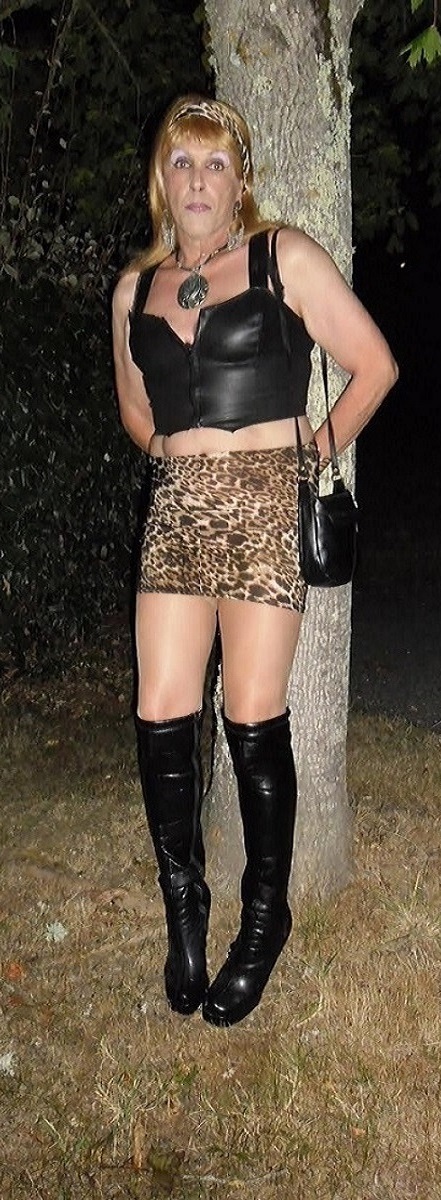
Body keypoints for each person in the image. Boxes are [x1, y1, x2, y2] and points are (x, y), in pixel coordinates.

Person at [112, 93, 398, 1028]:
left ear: (240, 182)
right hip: (178, 510)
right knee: (161, 710)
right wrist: (170, 453)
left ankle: (265, 919)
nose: (197, 179)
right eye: (181, 162)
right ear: (162, 181)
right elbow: (135, 410)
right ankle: (185, 907)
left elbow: (374, 365)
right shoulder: (134, 290)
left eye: (215, 163)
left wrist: (308, 454)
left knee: (250, 714)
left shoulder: (283, 257)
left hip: (265, 504)